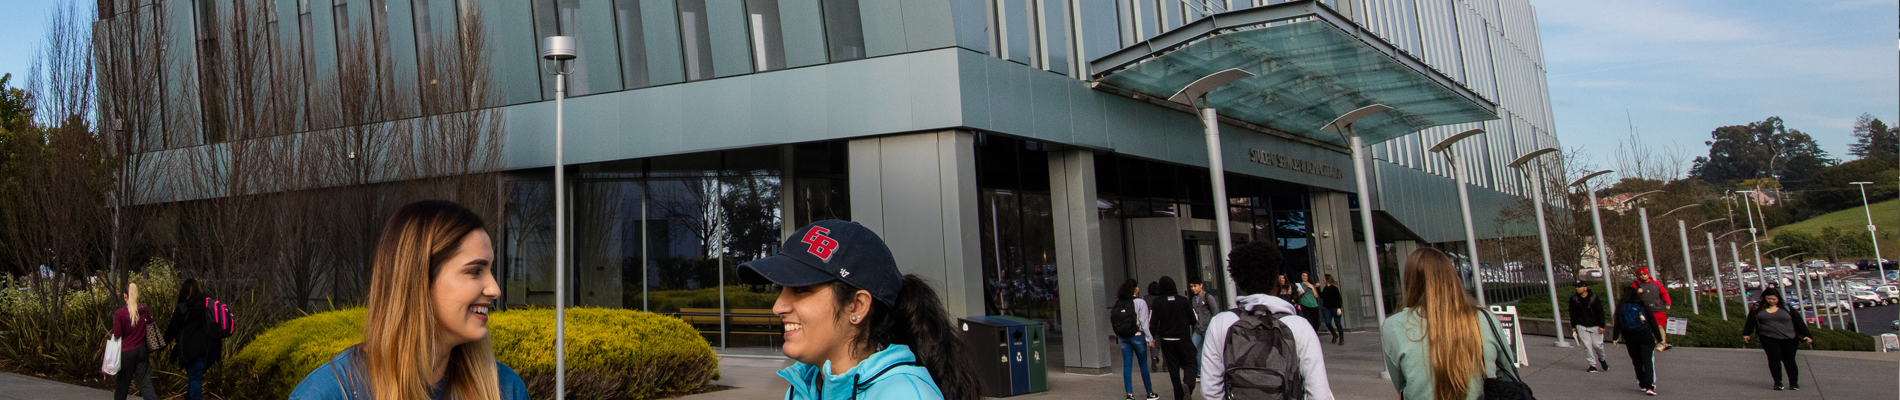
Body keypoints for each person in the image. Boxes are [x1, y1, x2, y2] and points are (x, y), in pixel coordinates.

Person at [290, 200, 528, 400]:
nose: (495, 289)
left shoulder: (504, 390)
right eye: (475, 271)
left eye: (491, 270)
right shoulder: (329, 393)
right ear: (418, 280)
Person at [736, 220, 981, 400]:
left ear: (857, 306)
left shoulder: (904, 395)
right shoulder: (802, 388)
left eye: (801, 290)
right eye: (780, 289)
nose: (778, 306)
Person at [1201, 240, 1333, 400]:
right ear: (1277, 281)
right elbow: (1318, 392)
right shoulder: (1299, 325)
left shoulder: (1221, 322)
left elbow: (1210, 391)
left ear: (1238, 281)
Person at [1382, 248, 1517, 400]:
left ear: (1409, 281)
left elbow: (1401, 385)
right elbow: (1508, 375)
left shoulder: (1393, 326)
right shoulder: (1485, 319)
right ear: (1452, 277)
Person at [164, 279, 224, 400]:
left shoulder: (183, 307)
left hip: (194, 350)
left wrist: (162, 344)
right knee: (194, 376)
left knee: (195, 377)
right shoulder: (206, 305)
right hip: (212, 348)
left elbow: (172, 328)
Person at [1742, 288, 1812, 391]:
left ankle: (1793, 382)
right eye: (1769, 298)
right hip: (1768, 337)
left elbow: (1799, 321)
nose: (1771, 301)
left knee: (1789, 360)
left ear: (1778, 298)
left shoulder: (1786, 308)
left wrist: (1807, 335)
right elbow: (1751, 321)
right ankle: (1778, 382)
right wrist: (1747, 333)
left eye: (1774, 299)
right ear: (1764, 298)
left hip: (1789, 338)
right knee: (1774, 358)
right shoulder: (1757, 308)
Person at [1147, 276, 1198, 400]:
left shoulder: (1158, 302)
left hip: (1167, 340)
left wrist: (1151, 338)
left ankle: (1179, 396)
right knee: (1190, 362)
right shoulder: (1183, 300)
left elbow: (1153, 322)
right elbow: (1193, 319)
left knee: (1173, 369)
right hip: (1183, 338)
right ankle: (1188, 384)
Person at [110, 282, 159, 400]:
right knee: (145, 383)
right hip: (142, 350)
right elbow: (151, 327)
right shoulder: (144, 310)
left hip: (127, 352)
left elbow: (118, 334)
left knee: (123, 385)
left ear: (124, 295)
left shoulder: (120, 314)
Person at [1111, 279, 1158, 400]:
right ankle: (1150, 392)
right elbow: (1144, 323)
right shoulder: (1140, 302)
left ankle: (1129, 394)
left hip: (1123, 337)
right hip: (1137, 336)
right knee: (1143, 364)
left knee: (1127, 365)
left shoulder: (1120, 302)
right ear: (1135, 289)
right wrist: (1150, 338)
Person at [1611, 286, 1663, 395]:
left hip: (1629, 337)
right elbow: (1652, 322)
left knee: (1636, 360)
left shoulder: (1621, 306)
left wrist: (1615, 338)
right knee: (1647, 360)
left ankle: (1642, 382)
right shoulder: (1641, 304)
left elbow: (1617, 323)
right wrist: (1659, 339)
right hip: (1645, 335)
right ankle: (1650, 386)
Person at [1567, 281, 1608, 372]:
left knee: (1598, 345)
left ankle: (1602, 359)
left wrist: (1602, 325)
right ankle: (1592, 365)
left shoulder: (1594, 298)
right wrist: (1573, 326)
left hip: (1595, 325)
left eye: (1579, 287)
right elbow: (1572, 313)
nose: (1577, 288)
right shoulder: (1574, 299)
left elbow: (1600, 312)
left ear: (1585, 288)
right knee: (1587, 345)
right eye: (1576, 287)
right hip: (1581, 325)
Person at [1629, 268, 1672, 351]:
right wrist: (1636, 292)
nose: (1643, 276)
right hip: (1642, 310)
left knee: (1659, 326)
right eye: (1640, 275)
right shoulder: (1636, 284)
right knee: (1644, 326)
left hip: (1657, 309)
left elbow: (1664, 293)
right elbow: (1629, 295)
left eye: (1644, 274)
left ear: (1648, 274)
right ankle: (1646, 342)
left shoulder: (1656, 284)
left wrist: (1668, 303)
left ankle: (1662, 343)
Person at [1188, 279, 1221, 352]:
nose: (1193, 288)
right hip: (1198, 329)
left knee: (1209, 350)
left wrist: (1212, 327)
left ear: (1201, 285)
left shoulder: (1208, 297)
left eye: (1195, 286)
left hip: (1207, 329)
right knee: (1193, 349)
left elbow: (1215, 312)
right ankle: (1198, 364)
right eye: (1191, 286)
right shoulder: (1193, 299)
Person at [1320, 274, 1345, 345]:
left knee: (1337, 323)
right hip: (1327, 308)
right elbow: (1321, 296)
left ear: (1327, 279)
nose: (1323, 280)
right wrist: (1318, 288)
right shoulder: (1325, 288)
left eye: (1324, 279)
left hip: (1335, 308)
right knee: (1327, 322)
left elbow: (1338, 299)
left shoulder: (1334, 288)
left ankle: (1341, 338)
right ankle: (1334, 334)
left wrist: (1339, 308)